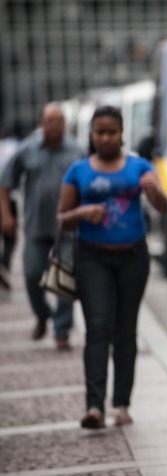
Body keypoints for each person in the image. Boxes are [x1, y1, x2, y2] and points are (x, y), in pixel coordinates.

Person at [57, 105, 167, 429]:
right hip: (93, 259)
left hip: (133, 258)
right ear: (91, 135)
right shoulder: (77, 171)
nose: (106, 138)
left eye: (112, 132)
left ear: (122, 134)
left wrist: (155, 193)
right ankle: (94, 407)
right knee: (98, 329)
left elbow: (164, 207)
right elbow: (61, 219)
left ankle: (121, 404)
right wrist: (80, 214)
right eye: (99, 132)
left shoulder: (141, 167)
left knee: (125, 331)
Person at [0, 104, 83, 347]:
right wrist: (5, 216)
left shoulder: (76, 150)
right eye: (50, 121)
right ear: (41, 123)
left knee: (65, 277)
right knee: (32, 274)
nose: (55, 126)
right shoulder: (27, 149)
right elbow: (5, 184)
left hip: (67, 227)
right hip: (36, 226)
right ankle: (43, 314)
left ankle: (61, 330)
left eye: (60, 121)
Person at [0, 129, 18, 288]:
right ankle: (3, 264)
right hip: (8, 198)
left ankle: (3, 264)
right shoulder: (11, 147)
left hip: (8, 198)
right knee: (10, 238)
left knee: (10, 237)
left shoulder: (11, 147)